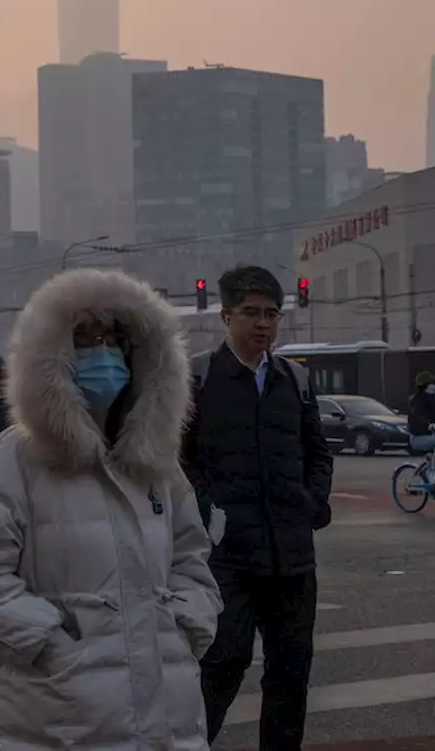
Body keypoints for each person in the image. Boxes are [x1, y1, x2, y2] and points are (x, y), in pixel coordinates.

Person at [0, 268, 222, 750]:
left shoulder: (157, 464)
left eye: (114, 342)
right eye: (86, 341)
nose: (104, 356)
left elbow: (192, 559)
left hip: (166, 711)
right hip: (54, 717)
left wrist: (185, 627)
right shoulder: (16, 458)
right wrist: (48, 643)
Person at [183, 265, 334, 751]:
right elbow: (178, 458)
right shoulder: (199, 378)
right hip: (228, 557)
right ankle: (188, 744)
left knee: (291, 675)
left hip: (293, 557)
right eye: (251, 313)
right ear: (226, 316)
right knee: (222, 663)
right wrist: (208, 511)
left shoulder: (296, 379)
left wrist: (312, 501)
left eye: (272, 314)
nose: (263, 323)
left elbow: (318, 452)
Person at [407, 371, 435, 456]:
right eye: (432, 383)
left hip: (430, 435)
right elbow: (416, 417)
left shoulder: (431, 398)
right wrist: (429, 425)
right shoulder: (416, 400)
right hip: (418, 437)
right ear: (425, 386)